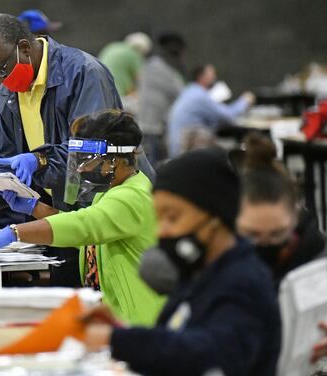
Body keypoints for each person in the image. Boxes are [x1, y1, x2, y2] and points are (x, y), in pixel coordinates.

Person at [0, 14, 155, 286]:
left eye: (2, 70)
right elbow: (5, 159)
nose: (0, 80)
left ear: (25, 49)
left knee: (114, 289)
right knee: (73, 302)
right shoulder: (8, 90)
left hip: (102, 204)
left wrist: (40, 160)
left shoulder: (84, 73)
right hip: (60, 213)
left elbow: (92, 153)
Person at [0, 110, 165, 325]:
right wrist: (33, 207)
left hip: (140, 320)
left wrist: (14, 232)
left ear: (115, 161)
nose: (81, 169)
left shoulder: (132, 196)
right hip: (116, 316)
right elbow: (83, 230)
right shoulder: (111, 190)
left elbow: (84, 226)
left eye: (88, 161)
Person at [83, 148, 281, 376]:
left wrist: (115, 339)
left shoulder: (243, 282)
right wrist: (118, 329)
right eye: (159, 218)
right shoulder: (201, 271)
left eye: (173, 217)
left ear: (214, 217)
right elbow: (177, 338)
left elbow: (208, 354)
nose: (162, 231)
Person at [233, 133, 327, 364]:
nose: (266, 244)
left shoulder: (317, 258)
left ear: (296, 215)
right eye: (252, 234)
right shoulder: (219, 258)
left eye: (277, 233)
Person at [167, 64, 255, 157]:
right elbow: (227, 116)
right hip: (185, 150)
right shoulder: (199, 96)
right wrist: (245, 101)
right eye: (211, 74)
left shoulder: (190, 91)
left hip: (179, 147)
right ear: (201, 77)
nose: (214, 78)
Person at [137, 32, 186, 163]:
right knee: (155, 167)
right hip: (152, 127)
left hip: (155, 127)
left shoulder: (153, 66)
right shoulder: (157, 68)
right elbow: (179, 91)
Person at [98, 32, 151, 97]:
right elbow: (142, 79)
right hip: (116, 94)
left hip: (99, 89)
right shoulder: (134, 54)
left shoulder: (113, 46)